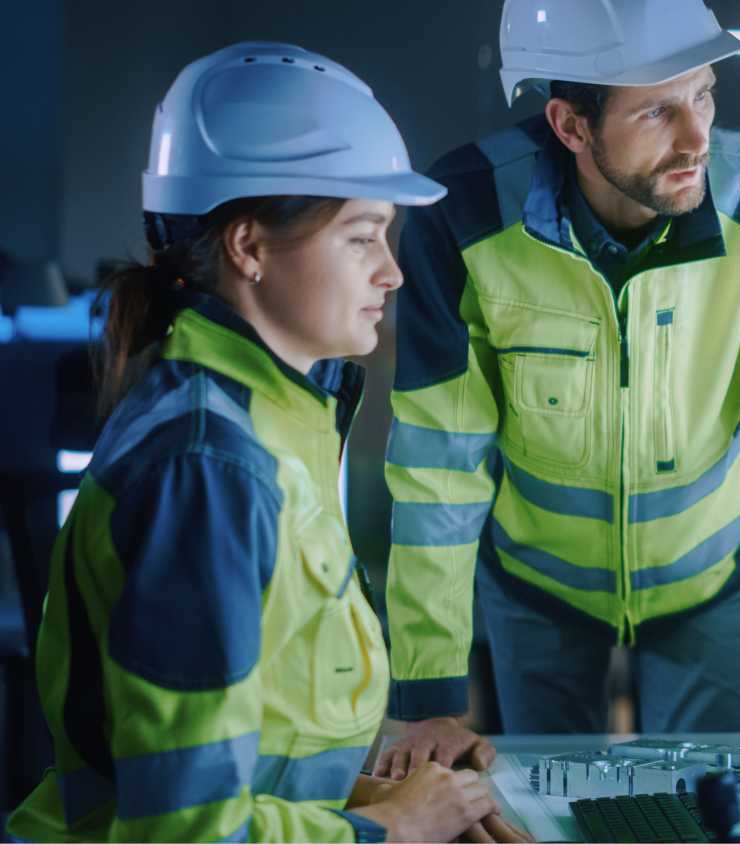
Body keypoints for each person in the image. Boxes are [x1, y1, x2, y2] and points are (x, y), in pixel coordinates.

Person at [376, 0, 740, 788]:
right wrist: (430, 694)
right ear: (571, 126)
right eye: (658, 111)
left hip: (711, 576)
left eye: (704, 94)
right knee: (543, 807)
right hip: (535, 580)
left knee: (703, 809)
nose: (697, 136)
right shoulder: (464, 215)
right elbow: (438, 465)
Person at [5, 42, 527, 843]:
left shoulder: (283, 415)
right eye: (362, 236)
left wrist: (375, 790)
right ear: (249, 248)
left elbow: (251, 742)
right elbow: (183, 832)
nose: (392, 272)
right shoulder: (206, 467)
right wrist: (390, 833)